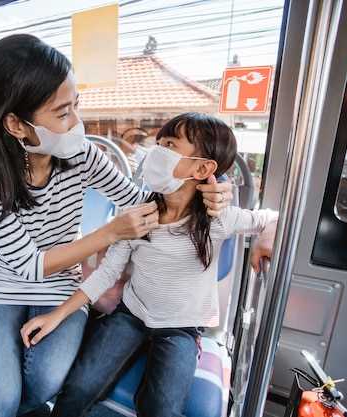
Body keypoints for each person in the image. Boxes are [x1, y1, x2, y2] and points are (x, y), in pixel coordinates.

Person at [0, 35, 237, 417]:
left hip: (61, 284)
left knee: (45, 382)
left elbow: (137, 200)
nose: (78, 122)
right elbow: (27, 264)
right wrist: (110, 233)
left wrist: (208, 186)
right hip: (0, 281)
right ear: (15, 124)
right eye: (61, 113)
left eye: (76, 104)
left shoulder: (81, 156)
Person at [21, 113, 278, 417]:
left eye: (170, 144)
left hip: (180, 329)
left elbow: (272, 218)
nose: (156, 151)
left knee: (162, 409)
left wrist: (264, 240)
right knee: (79, 387)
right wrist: (58, 315)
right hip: (130, 315)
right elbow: (108, 272)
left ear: (203, 167)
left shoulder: (220, 218)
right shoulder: (140, 213)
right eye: (159, 143)